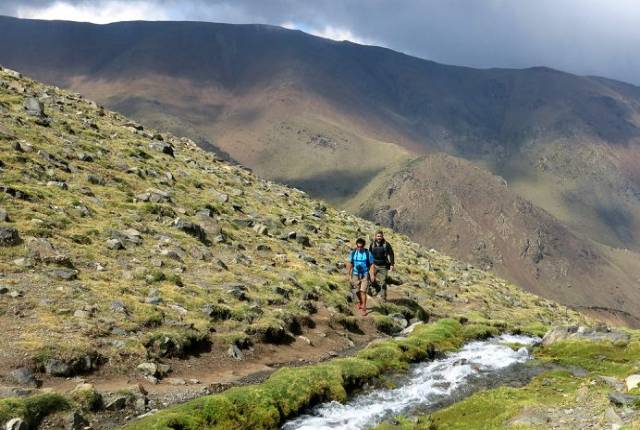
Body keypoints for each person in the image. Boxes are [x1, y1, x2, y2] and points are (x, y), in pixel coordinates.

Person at [347, 237, 375, 314]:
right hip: (355, 274)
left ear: (364, 246)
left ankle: (364, 308)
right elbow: (350, 263)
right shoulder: (353, 252)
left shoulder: (368, 253)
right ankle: (361, 302)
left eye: (361, 246)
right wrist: (348, 274)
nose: (359, 248)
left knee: (363, 291)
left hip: (365, 274)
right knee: (357, 291)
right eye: (358, 246)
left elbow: (372, 264)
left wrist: (372, 274)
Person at [369, 230, 395, 302]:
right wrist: (369, 264)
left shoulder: (386, 244)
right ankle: (375, 290)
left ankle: (383, 298)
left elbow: (391, 254)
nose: (379, 237)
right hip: (374, 265)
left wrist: (392, 264)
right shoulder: (372, 244)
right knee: (371, 279)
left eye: (380, 236)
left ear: (382, 236)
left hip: (383, 266)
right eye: (378, 236)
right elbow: (369, 255)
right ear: (375, 236)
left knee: (383, 282)